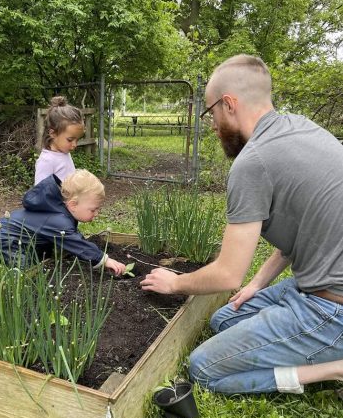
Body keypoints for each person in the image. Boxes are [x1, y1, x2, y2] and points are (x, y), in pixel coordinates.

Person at [141, 54, 343, 395]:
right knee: (223, 320)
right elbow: (296, 235)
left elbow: (228, 275)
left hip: (330, 309)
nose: (213, 125)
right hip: (314, 285)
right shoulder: (303, 128)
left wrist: (175, 284)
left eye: (211, 113)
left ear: (229, 103)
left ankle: (331, 369)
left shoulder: (254, 163)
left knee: (203, 368)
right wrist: (258, 285)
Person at [0, 169, 126, 275]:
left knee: (39, 265)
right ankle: (15, 290)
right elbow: (77, 243)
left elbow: (72, 238)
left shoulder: (59, 211)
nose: (97, 214)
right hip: (6, 239)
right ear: (73, 205)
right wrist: (104, 260)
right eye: (93, 210)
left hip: (19, 237)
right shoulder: (59, 220)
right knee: (29, 273)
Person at [34, 95, 85, 184]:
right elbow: (40, 194)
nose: (75, 145)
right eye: (70, 140)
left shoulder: (63, 153)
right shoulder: (47, 161)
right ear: (53, 133)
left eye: (77, 140)